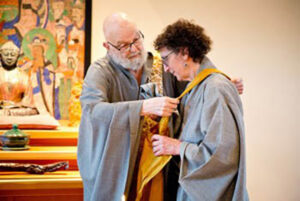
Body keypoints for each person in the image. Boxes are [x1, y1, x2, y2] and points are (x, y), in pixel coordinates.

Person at [77, 13, 244, 201]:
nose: (134, 48)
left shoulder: (159, 64)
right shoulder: (100, 71)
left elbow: (193, 80)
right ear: (107, 46)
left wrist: (223, 81)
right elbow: (92, 111)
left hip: (159, 165)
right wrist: (142, 107)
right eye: (124, 45)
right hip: (119, 162)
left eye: (136, 39)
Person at [152, 19, 249, 201]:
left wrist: (177, 147)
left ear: (184, 52)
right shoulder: (197, 88)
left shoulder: (216, 88)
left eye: (166, 59)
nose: (165, 68)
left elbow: (222, 157)